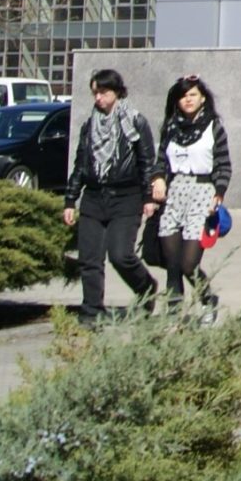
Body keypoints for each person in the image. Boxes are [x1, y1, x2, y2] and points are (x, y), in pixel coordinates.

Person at [64, 69, 159, 319]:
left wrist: (148, 197)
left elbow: (146, 161)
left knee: (120, 254)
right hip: (94, 197)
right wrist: (70, 199)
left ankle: (146, 287)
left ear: (116, 92)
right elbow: (80, 164)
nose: (98, 98)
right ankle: (92, 311)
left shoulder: (135, 121)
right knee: (89, 259)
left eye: (104, 92)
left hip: (126, 197)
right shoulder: (89, 126)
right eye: (95, 93)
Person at [153, 74, 231, 323]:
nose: (188, 99)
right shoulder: (170, 128)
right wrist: (158, 178)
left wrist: (219, 193)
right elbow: (160, 161)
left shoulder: (213, 127)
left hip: (202, 191)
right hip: (175, 192)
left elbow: (223, 165)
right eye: (183, 96)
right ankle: (173, 315)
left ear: (203, 98)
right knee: (172, 263)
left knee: (188, 263)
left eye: (192, 95)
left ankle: (208, 300)